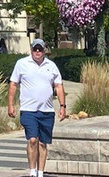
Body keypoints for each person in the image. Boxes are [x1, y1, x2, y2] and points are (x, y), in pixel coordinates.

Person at [8, 38, 66, 177]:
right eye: (35, 49)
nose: (38, 52)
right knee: (33, 140)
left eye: (40, 49)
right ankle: (32, 171)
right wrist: (10, 105)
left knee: (43, 143)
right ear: (31, 50)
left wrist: (62, 106)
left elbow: (58, 86)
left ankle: (40, 172)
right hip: (28, 110)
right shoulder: (22, 64)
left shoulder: (51, 66)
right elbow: (13, 84)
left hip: (47, 110)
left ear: (44, 50)